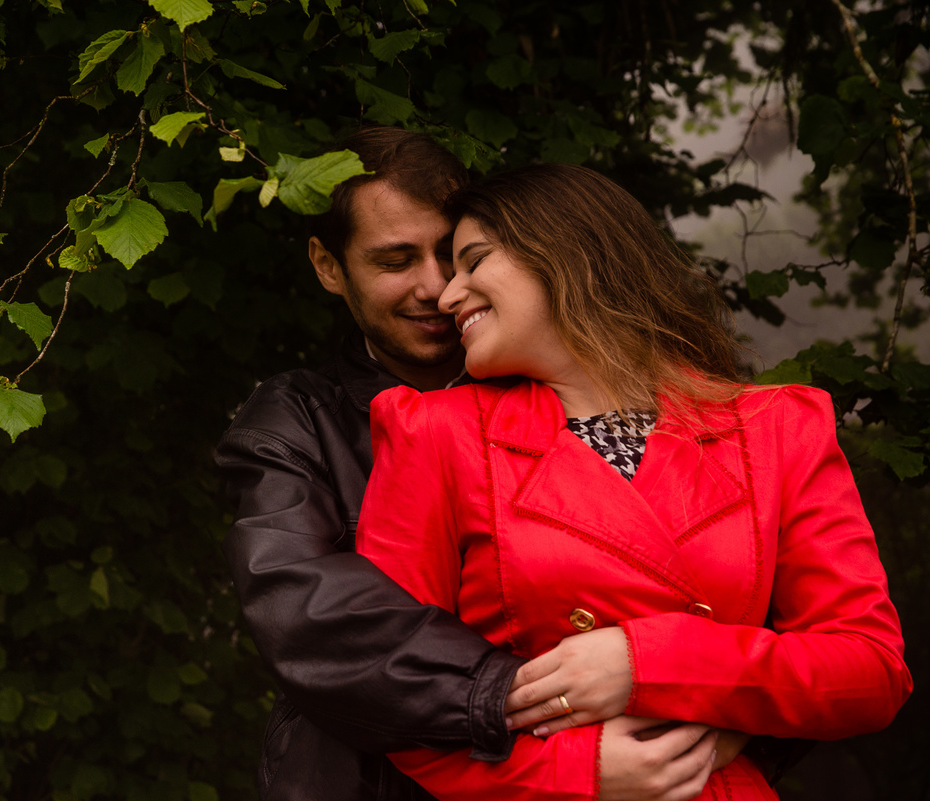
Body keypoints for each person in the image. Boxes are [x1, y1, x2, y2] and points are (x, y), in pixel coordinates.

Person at [217, 129, 748, 801]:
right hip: (366, 783)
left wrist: (714, 715)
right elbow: (308, 612)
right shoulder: (296, 420)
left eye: (455, 253)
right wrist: (531, 703)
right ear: (328, 266)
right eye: (396, 260)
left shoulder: (588, 395)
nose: (438, 287)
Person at [354, 163, 913, 801]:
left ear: (566, 252)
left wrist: (648, 664)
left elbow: (869, 671)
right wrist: (572, 771)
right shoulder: (433, 432)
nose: (448, 296)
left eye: (473, 261)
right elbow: (392, 681)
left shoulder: (776, 428)